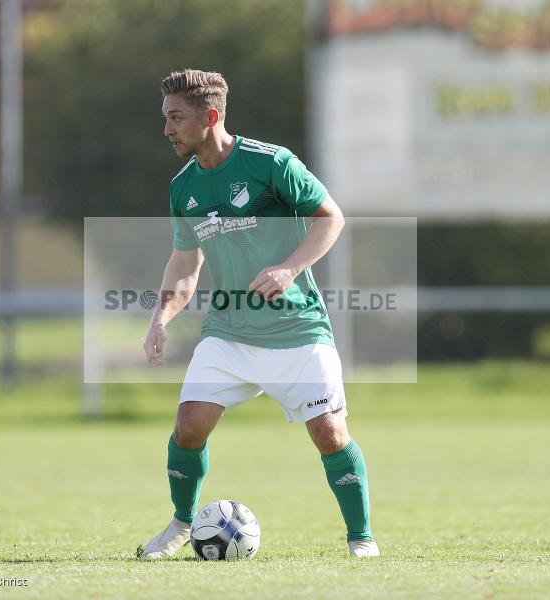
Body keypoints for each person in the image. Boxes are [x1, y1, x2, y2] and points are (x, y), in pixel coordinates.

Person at [137, 69, 378, 559]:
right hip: (229, 331)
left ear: (210, 116)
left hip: (297, 328)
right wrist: (161, 318)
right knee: (188, 427)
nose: (167, 129)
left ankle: (361, 539)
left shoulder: (271, 164)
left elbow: (331, 218)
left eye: (176, 118)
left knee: (330, 434)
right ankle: (182, 524)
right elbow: (185, 263)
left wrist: (289, 270)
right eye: (165, 118)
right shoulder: (183, 188)